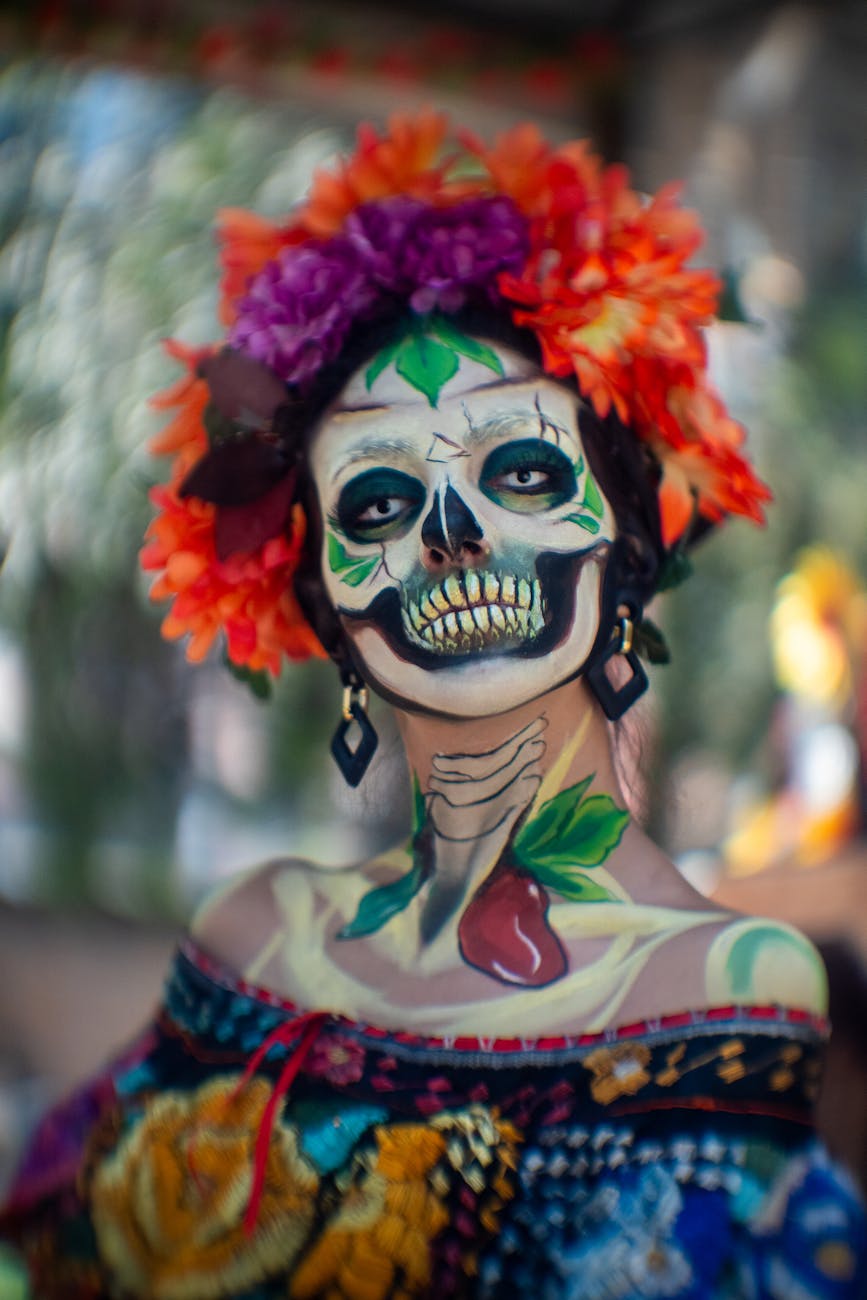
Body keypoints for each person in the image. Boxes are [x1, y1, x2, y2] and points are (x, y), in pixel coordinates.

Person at [2, 110, 865, 1299]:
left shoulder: (725, 988)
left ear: (624, 542)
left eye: (520, 472)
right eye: (376, 504)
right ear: (321, 595)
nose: (451, 540)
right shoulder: (255, 936)